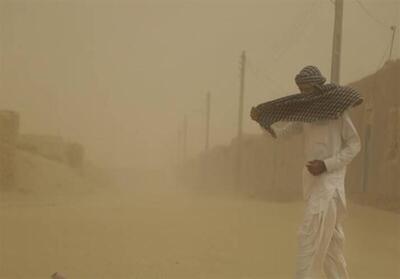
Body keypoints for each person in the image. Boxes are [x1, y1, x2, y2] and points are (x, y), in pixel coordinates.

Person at [250, 65, 362, 279]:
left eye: (306, 89)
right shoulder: (306, 114)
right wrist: (262, 122)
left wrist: (327, 164)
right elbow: (282, 134)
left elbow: (355, 145)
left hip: (330, 188)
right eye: (300, 90)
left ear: (318, 87)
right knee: (331, 248)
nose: (303, 94)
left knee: (307, 238)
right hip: (313, 185)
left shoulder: (338, 111)